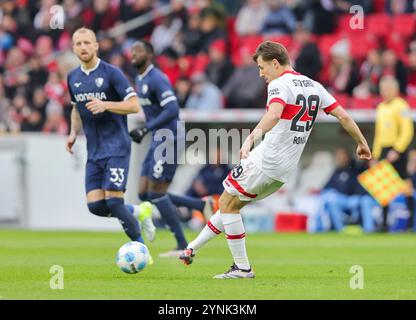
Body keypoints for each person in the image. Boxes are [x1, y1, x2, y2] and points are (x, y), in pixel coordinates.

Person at [179, 40, 372, 279]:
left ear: (275, 63)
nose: (261, 74)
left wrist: (250, 138)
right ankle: (191, 248)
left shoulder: (280, 84)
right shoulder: (315, 86)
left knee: (227, 202)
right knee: (232, 205)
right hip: (283, 171)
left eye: (262, 67)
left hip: (266, 159)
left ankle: (242, 268)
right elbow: (344, 117)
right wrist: (362, 143)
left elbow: (273, 115)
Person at [65, 28, 156, 261]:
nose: (83, 47)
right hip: (94, 151)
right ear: (73, 48)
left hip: (117, 146)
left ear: (96, 46)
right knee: (96, 206)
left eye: (87, 42)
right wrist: (73, 132)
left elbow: (134, 105)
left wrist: (106, 105)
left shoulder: (111, 73)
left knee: (114, 202)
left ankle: (141, 249)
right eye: (78, 44)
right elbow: (76, 107)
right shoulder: (72, 77)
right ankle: (139, 211)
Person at [128, 40, 215, 257]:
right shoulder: (140, 79)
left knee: (156, 193)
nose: (133, 54)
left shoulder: (156, 78)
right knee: (144, 192)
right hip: (158, 137)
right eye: (132, 51)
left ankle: (182, 244)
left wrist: (146, 128)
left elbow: (172, 109)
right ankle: (199, 204)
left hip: (169, 136)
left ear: (149, 54)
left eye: (138, 50)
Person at [372, 75, 414, 231]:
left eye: (388, 89)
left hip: (398, 150)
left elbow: (407, 131)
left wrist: (397, 149)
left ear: (395, 90)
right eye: (383, 89)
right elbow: (378, 133)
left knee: (406, 184)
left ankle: (410, 223)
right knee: (384, 189)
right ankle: (383, 223)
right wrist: (375, 155)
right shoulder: (381, 107)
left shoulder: (401, 106)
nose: (385, 92)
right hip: (384, 149)